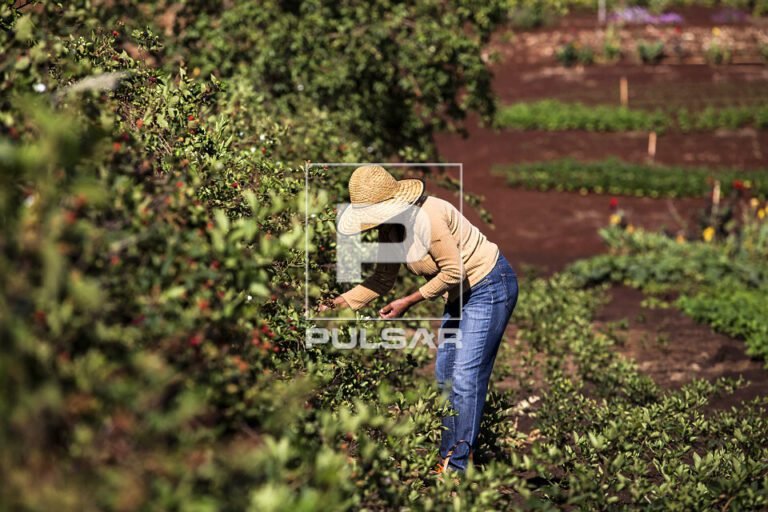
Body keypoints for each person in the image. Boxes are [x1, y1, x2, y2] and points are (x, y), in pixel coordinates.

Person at [318, 165, 518, 472]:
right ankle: (447, 458)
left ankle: (456, 470)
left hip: (489, 285)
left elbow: (454, 271)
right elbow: (383, 279)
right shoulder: (391, 228)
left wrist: (409, 301)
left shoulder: (429, 217)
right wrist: (337, 305)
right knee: (444, 377)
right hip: (459, 294)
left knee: (465, 379)